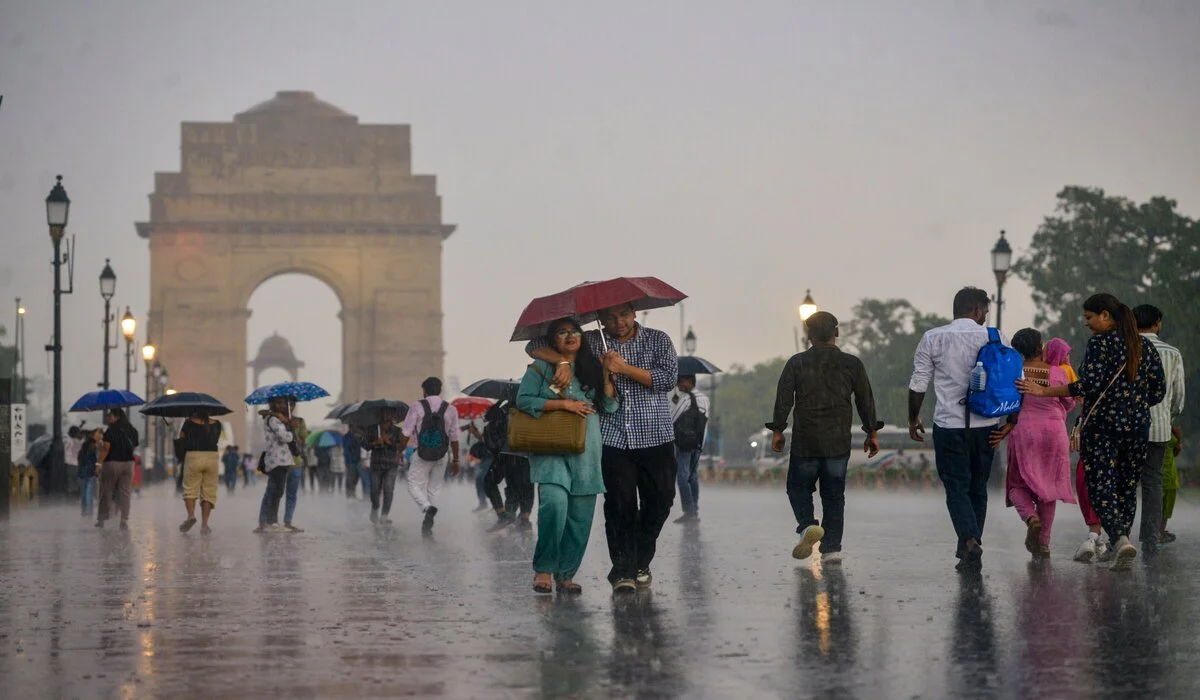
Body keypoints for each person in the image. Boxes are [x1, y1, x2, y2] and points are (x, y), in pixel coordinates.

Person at [527, 303, 678, 594]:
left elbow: (667, 379)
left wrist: (623, 369)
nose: (618, 321)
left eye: (624, 315)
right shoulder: (591, 341)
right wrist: (561, 362)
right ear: (601, 318)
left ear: (634, 313)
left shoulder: (658, 339)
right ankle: (623, 570)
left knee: (660, 502)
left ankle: (640, 560)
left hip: (655, 435)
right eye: (611, 316)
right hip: (610, 438)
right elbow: (534, 346)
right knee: (619, 506)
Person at [1018, 293, 1165, 570]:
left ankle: (1119, 540)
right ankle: (1120, 544)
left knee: (1099, 486)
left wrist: (1044, 391)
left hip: (1102, 427)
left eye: (1089, 317)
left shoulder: (1101, 343)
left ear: (1105, 316)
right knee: (1126, 487)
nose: (1086, 323)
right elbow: (1158, 390)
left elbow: (1087, 384)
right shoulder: (1143, 345)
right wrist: (1132, 405)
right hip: (1137, 427)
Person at [767, 311, 880, 564]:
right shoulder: (852, 364)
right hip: (837, 442)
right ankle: (831, 550)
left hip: (805, 441)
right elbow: (865, 401)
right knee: (834, 496)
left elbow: (784, 399)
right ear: (836, 332)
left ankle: (808, 525)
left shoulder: (797, 363)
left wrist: (778, 430)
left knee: (797, 487)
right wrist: (871, 432)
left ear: (809, 336)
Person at [517, 318, 618, 595]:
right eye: (562, 332)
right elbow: (524, 400)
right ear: (553, 340)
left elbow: (609, 406)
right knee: (554, 505)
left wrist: (607, 375)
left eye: (574, 331)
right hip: (551, 448)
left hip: (587, 449)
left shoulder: (592, 367)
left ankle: (566, 574)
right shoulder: (541, 367)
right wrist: (563, 404)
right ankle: (544, 569)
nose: (570, 335)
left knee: (579, 518)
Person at [908, 287, 1002, 572]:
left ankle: (970, 542)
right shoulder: (995, 337)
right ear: (976, 309)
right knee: (978, 488)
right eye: (984, 311)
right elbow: (1013, 380)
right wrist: (1011, 421)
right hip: (987, 424)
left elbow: (919, 383)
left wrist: (913, 418)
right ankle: (969, 546)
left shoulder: (933, 338)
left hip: (949, 424)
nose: (985, 316)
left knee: (956, 487)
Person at [994, 329, 1076, 560]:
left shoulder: (1015, 372)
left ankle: (1031, 518)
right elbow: (1069, 403)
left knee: (1016, 485)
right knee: (1048, 492)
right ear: (1041, 347)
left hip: (1025, 432)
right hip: (1054, 433)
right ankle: (1044, 545)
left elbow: (1006, 403)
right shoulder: (1059, 372)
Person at [1134, 304, 1185, 551]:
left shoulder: (1125, 348)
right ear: (1157, 323)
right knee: (1153, 481)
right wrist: (1168, 417)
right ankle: (1150, 536)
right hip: (1159, 429)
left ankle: (1119, 536)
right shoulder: (1172, 353)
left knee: (1124, 480)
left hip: (1128, 427)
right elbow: (1178, 396)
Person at [399, 377, 461, 535]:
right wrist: (456, 460)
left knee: (413, 484)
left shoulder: (416, 406)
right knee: (434, 489)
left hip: (421, 453)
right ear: (440, 390)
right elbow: (454, 438)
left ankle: (427, 508)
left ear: (424, 391)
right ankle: (429, 523)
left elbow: (406, 433)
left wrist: (399, 451)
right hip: (442, 454)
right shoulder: (450, 409)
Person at [671, 374, 710, 524]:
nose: (678, 385)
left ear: (689, 381)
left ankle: (689, 511)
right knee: (692, 476)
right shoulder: (705, 399)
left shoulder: (686, 399)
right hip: (699, 443)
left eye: (680, 382)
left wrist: (675, 400)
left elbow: (672, 418)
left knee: (682, 477)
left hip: (685, 443)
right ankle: (694, 510)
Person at [256, 396, 299, 533]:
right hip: (278, 460)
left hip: (280, 459)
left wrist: (287, 424)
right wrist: (290, 429)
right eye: (278, 403)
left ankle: (270, 522)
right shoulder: (273, 419)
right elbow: (284, 437)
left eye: (283, 403)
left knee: (275, 491)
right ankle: (272, 522)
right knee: (276, 492)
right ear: (271, 404)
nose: (282, 405)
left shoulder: (275, 418)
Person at [177, 412, 223, 535]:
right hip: (212, 457)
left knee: (190, 489)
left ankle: (191, 516)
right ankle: (205, 525)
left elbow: (181, 439)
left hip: (194, 456)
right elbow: (215, 439)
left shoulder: (188, 423)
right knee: (209, 492)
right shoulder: (217, 424)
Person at [96, 408, 140, 530]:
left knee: (106, 491)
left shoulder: (111, 430)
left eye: (110, 416)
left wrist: (98, 464)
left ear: (117, 417)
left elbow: (106, 448)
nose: (108, 418)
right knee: (125, 492)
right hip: (129, 464)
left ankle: (102, 519)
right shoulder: (133, 430)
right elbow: (134, 445)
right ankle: (124, 520)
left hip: (112, 463)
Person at [365, 409, 404, 524]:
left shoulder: (397, 431)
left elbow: (401, 446)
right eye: (384, 414)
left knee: (388, 489)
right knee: (374, 490)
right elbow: (365, 445)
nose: (386, 417)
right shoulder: (372, 429)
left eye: (389, 415)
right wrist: (375, 443)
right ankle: (375, 508)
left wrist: (389, 442)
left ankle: (384, 515)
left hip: (391, 465)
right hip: (376, 465)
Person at [283, 399, 309, 531]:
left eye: (291, 404)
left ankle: (288, 522)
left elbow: (303, 443)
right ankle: (270, 522)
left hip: (296, 461)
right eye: (286, 404)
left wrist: (294, 431)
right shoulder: (276, 421)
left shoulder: (300, 421)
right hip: (280, 462)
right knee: (276, 493)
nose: (289, 407)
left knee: (291, 494)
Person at [1161, 430, 1182, 543]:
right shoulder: (1154, 428)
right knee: (1157, 508)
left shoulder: (1173, 430)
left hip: (1171, 477)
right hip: (1158, 477)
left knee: (1167, 508)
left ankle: (1160, 532)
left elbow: (1176, 451)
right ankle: (1156, 533)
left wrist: (1179, 439)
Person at [77, 429, 100, 517]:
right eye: (95, 444)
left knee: (83, 494)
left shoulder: (81, 452)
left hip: (81, 474)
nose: (96, 445)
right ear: (91, 444)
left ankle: (84, 512)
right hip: (89, 474)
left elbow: (80, 462)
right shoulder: (92, 452)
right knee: (89, 493)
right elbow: (94, 462)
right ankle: (89, 512)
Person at [343, 430, 366, 498]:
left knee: (362, 480)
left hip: (359, 461)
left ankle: (363, 497)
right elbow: (347, 449)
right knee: (351, 480)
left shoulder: (361, 435)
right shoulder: (347, 437)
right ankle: (350, 496)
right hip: (353, 462)